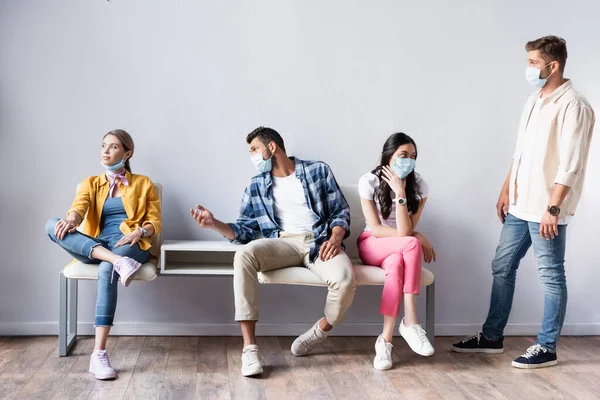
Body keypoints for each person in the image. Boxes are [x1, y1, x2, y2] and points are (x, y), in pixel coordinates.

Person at [451, 36, 595, 369]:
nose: (528, 68)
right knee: (502, 266)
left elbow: (570, 164)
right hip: (519, 204)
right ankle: (492, 337)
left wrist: (554, 209)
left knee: (551, 275)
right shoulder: (534, 99)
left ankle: (547, 347)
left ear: (553, 65)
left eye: (533, 63)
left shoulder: (574, 105)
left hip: (547, 208)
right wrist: (506, 189)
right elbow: (521, 152)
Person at [191, 126, 355, 377]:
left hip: (319, 241)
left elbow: (340, 211)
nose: (252, 157)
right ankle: (249, 348)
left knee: (344, 280)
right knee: (244, 255)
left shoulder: (317, 170)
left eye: (254, 149)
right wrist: (215, 224)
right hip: (282, 243)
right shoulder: (256, 185)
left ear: (271, 147)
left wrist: (335, 236)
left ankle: (320, 330)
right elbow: (244, 230)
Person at [45, 129, 162, 380]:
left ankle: (98, 354)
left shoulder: (143, 183)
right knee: (51, 224)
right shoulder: (90, 183)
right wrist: (70, 220)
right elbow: (79, 208)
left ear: (127, 153)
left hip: (129, 242)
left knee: (107, 269)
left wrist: (140, 231)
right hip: (98, 244)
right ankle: (118, 261)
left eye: (113, 146)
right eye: (103, 146)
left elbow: (155, 222)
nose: (105, 151)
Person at [357, 132, 436, 370]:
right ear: (388, 156)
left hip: (398, 249)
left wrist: (401, 194)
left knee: (396, 264)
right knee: (411, 243)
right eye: (403, 155)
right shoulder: (368, 181)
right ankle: (410, 321)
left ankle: (385, 341)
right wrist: (415, 236)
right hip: (371, 243)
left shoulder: (420, 185)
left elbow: (406, 228)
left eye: (413, 156)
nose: (408, 161)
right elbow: (378, 229)